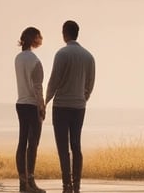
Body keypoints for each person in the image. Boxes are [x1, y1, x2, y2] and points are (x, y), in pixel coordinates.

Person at [45, 20, 95, 193]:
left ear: (64, 33)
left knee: (63, 146)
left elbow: (54, 80)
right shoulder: (88, 56)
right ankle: (77, 183)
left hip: (61, 106)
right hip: (79, 106)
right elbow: (90, 82)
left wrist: (45, 101)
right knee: (76, 145)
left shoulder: (62, 54)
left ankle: (66, 183)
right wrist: (83, 98)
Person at [14, 27, 47, 193]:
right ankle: (31, 182)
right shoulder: (35, 60)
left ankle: (22, 182)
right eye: (40, 36)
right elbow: (37, 87)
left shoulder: (18, 58)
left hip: (20, 103)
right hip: (32, 105)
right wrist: (42, 107)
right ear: (34, 38)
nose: (41, 38)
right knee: (33, 144)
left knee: (22, 142)